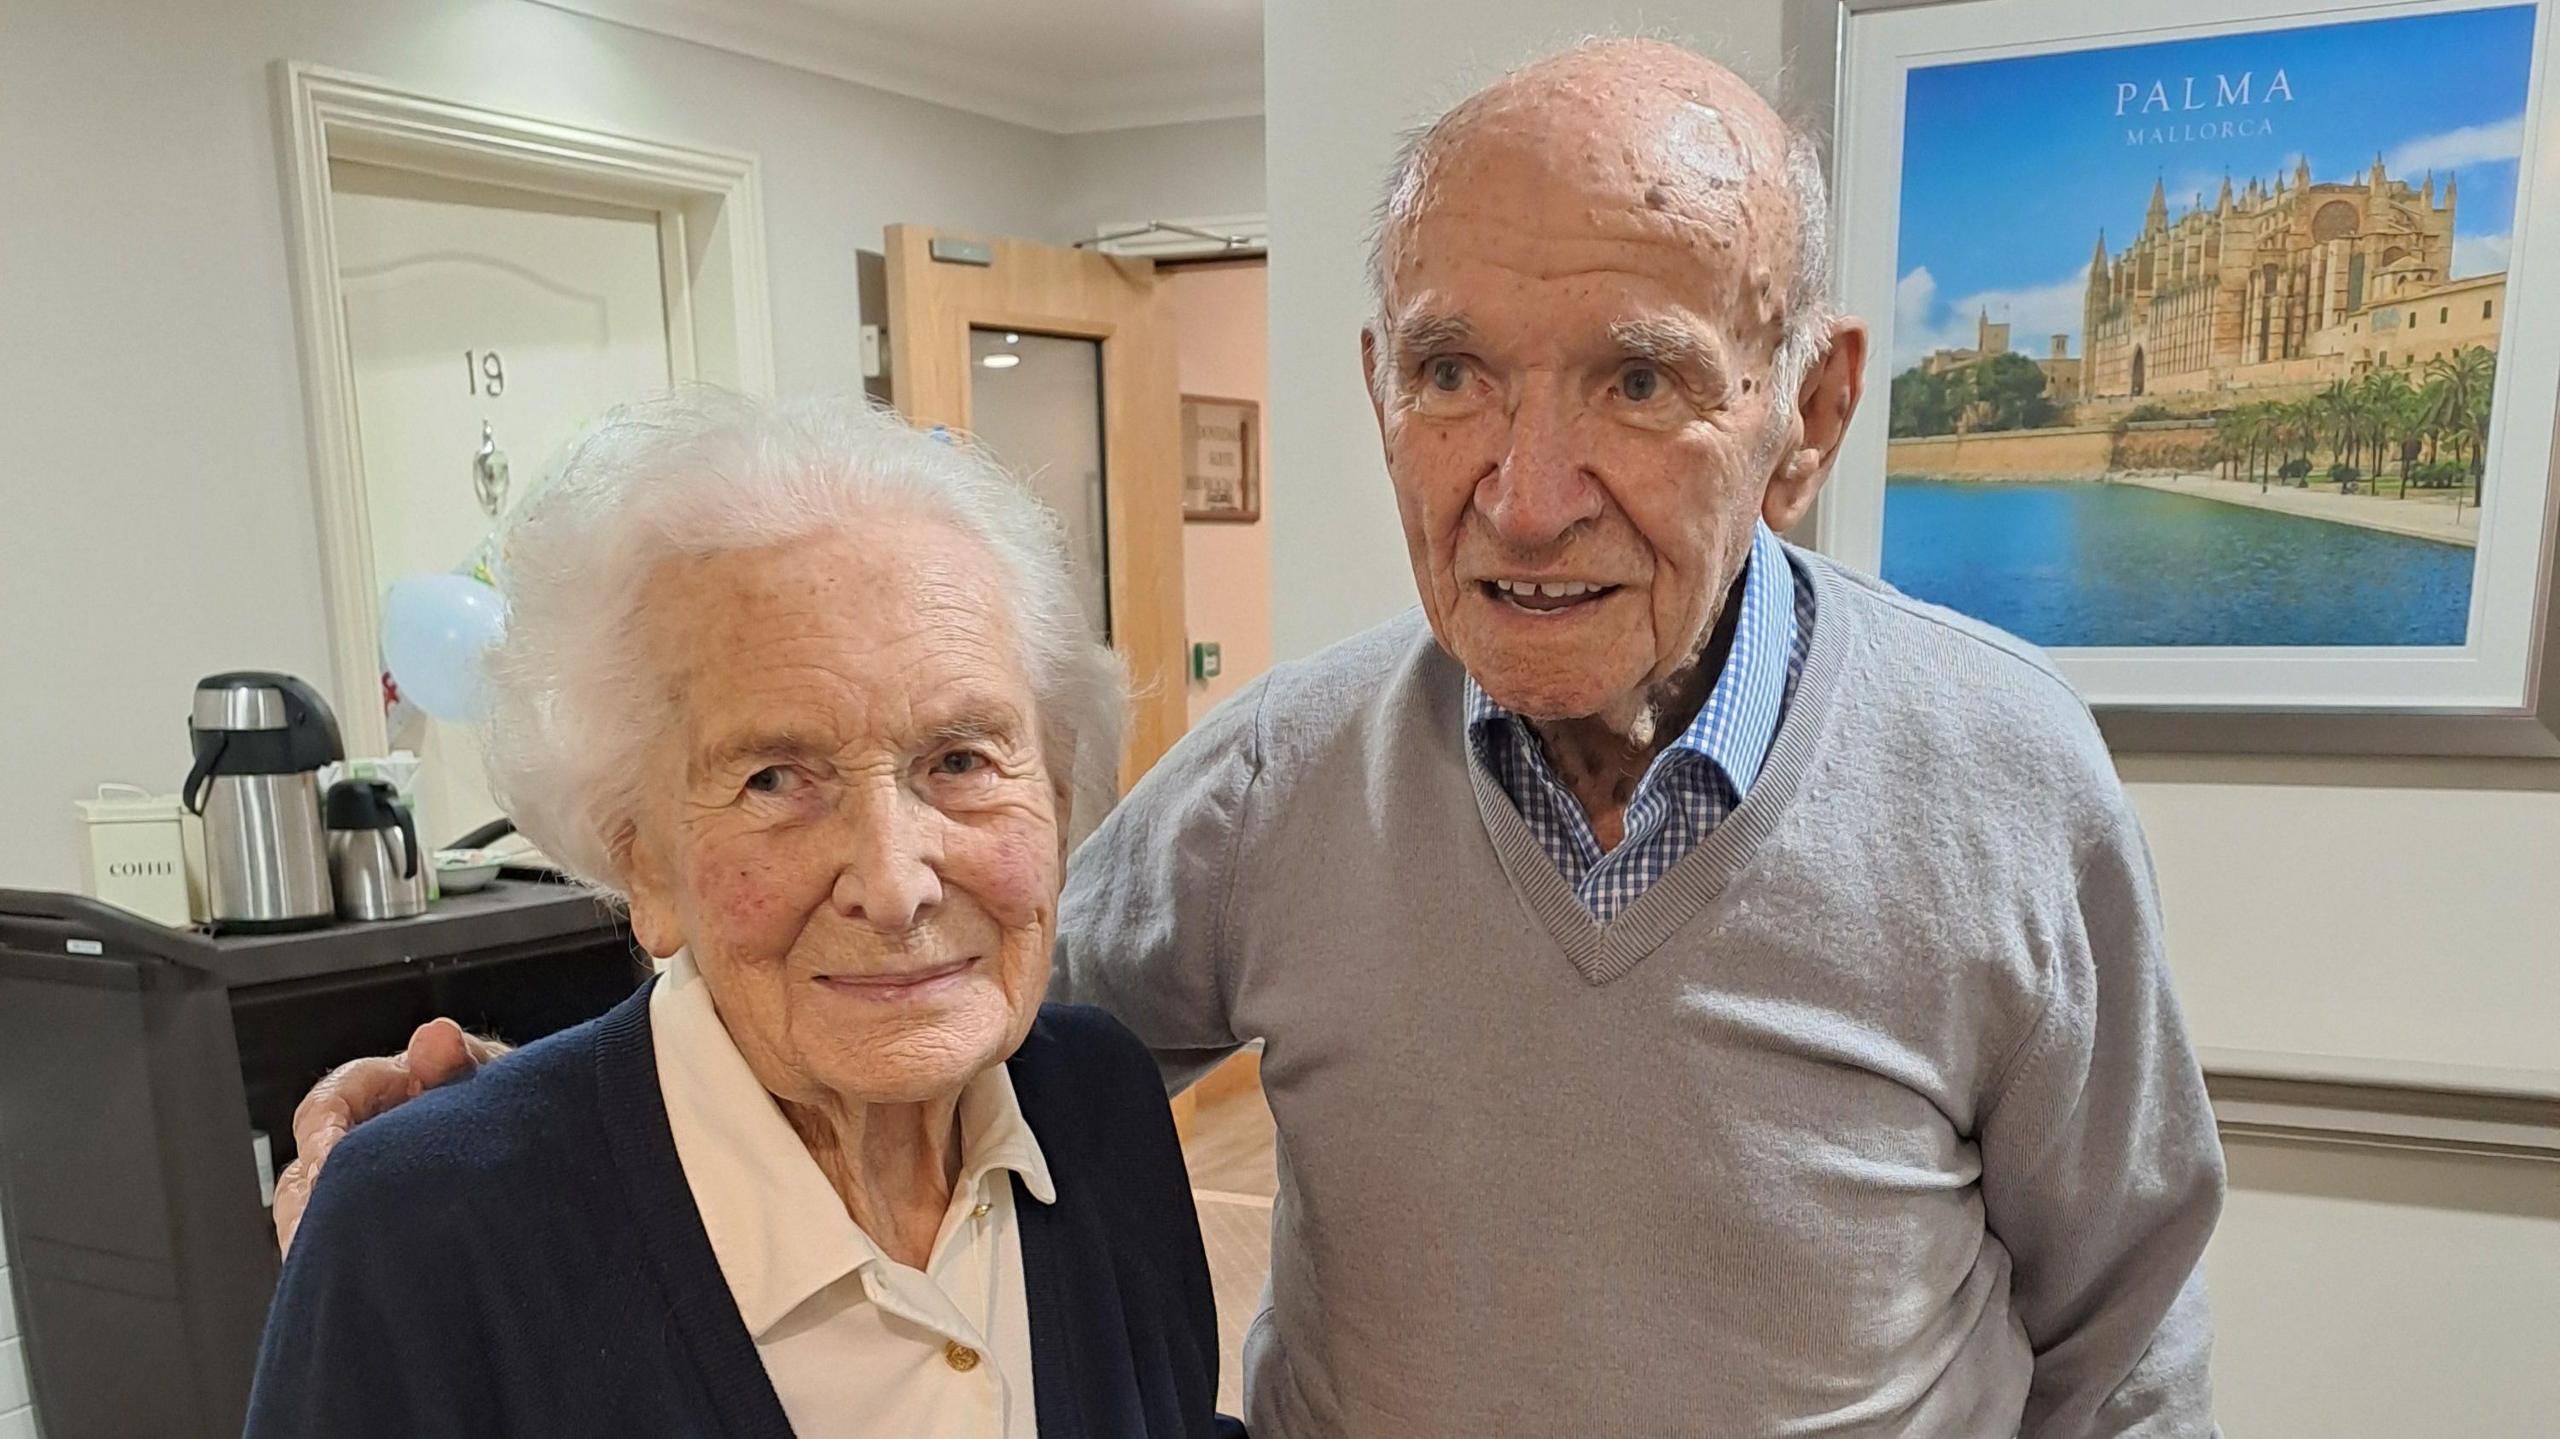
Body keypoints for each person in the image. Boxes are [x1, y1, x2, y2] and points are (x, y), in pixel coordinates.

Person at [281, 39, 2224, 1438]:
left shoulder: (2003, 771)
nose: (1522, 493)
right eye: (1451, 371)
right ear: (1376, 385)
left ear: (1804, 413)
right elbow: (926, 984)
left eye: (1638, 378)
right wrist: (525, 1124)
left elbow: (2124, 1312)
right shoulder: (1277, 774)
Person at [249, 393, 1240, 1438]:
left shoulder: (1099, 1102)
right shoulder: (420, 1238)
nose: (896, 882)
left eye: (959, 759)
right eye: (776, 778)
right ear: (643, 860)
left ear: (1058, 795)